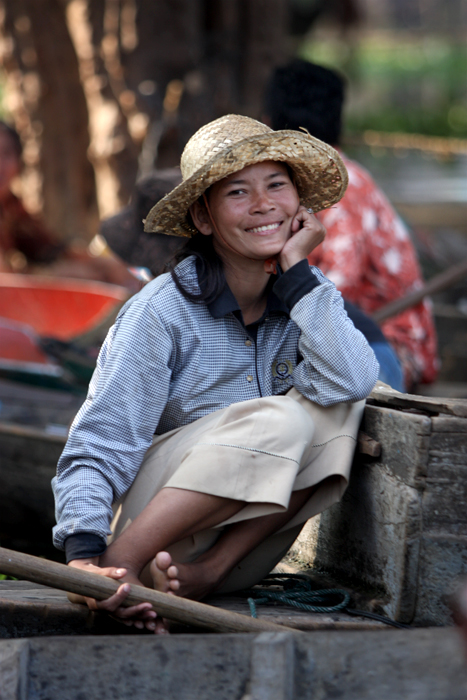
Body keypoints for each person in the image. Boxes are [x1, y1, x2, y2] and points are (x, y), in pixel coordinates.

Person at [52, 114, 379, 634]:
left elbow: (354, 380)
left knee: (341, 407)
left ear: (300, 208)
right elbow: (100, 443)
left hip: (228, 558)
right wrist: (86, 557)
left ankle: (206, 575)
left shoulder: (305, 297)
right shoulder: (160, 311)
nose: (264, 205)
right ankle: (120, 569)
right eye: (237, 193)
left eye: (277, 186)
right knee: (283, 420)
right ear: (204, 220)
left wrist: (298, 273)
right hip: (148, 534)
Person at [264, 60, 438, 392]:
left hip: (387, 344)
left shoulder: (343, 186)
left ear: (270, 123)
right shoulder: (297, 184)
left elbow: (338, 287)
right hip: (337, 336)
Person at [0, 121, 139, 291]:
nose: (1, 165)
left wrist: (104, 264)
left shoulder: (11, 207)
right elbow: (6, 280)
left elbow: (48, 249)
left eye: (6, 154)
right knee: (80, 276)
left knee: (108, 268)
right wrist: (56, 275)